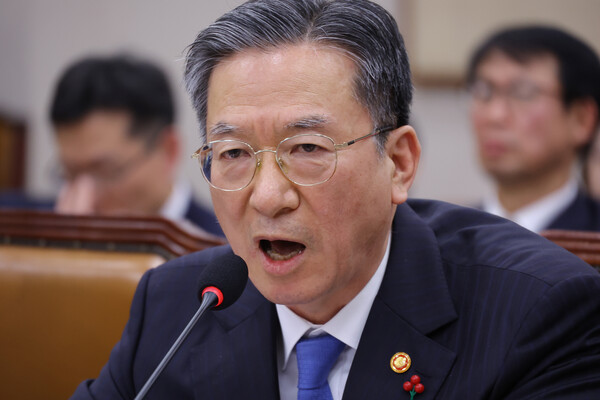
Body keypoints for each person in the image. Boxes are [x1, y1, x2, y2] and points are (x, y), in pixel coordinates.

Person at [71, 1, 600, 399]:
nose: (268, 196)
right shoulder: (174, 308)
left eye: (307, 148)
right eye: (233, 153)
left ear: (399, 163)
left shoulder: (536, 314)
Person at [49, 54, 223, 236]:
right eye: (70, 174)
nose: (84, 204)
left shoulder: (222, 245)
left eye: (105, 171)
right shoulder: (46, 239)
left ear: (168, 150)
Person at [466, 25, 600, 233]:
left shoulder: (593, 239)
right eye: (483, 91)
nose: (495, 115)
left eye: (522, 92)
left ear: (581, 119)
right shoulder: (447, 235)